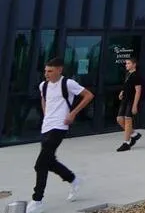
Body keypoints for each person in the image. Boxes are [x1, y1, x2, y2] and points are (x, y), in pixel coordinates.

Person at [30, 58, 94, 212]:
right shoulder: (43, 85)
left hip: (60, 126)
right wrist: (46, 115)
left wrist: (72, 113)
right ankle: (74, 179)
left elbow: (88, 95)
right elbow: (44, 99)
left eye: (50, 71)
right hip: (46, 126)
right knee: (49, 160)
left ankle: (37, 200)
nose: (47, 74)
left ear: (59, 70)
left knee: (40, 164)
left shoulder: (68, 83)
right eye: (45, 71)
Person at [115, 56, 143, 152]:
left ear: (134, 65)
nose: (126, 65)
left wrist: (135, 105)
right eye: (126, 63)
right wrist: (122, 92)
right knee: (119, 119)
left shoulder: (136, 75)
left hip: (131, 100)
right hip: (125, 100)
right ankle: (134, 134)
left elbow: (138, 90)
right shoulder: (128, 74)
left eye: (128, 63)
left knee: (127, 120)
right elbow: (127, 85)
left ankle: (126, 143)